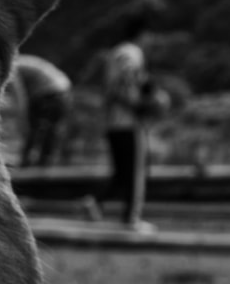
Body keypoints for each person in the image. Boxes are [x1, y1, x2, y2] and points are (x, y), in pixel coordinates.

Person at [79, 28, 154, 227]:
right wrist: (139, 104)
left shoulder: (113, 54)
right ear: (143, 34)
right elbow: (126, 79)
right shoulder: (132, 52)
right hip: (129, 122)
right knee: (135, 172)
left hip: (112, 122)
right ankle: (131, 217)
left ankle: (96, 202)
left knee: (121, 173)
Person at [9, 52, 73, 168]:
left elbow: (20, 96)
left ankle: (28, 162)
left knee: (35, 128)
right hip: (64, 88)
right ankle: (44, 162)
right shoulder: (23, 61)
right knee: (50, 129)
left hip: (49, 93)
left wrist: (22, 118)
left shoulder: (12, 67)